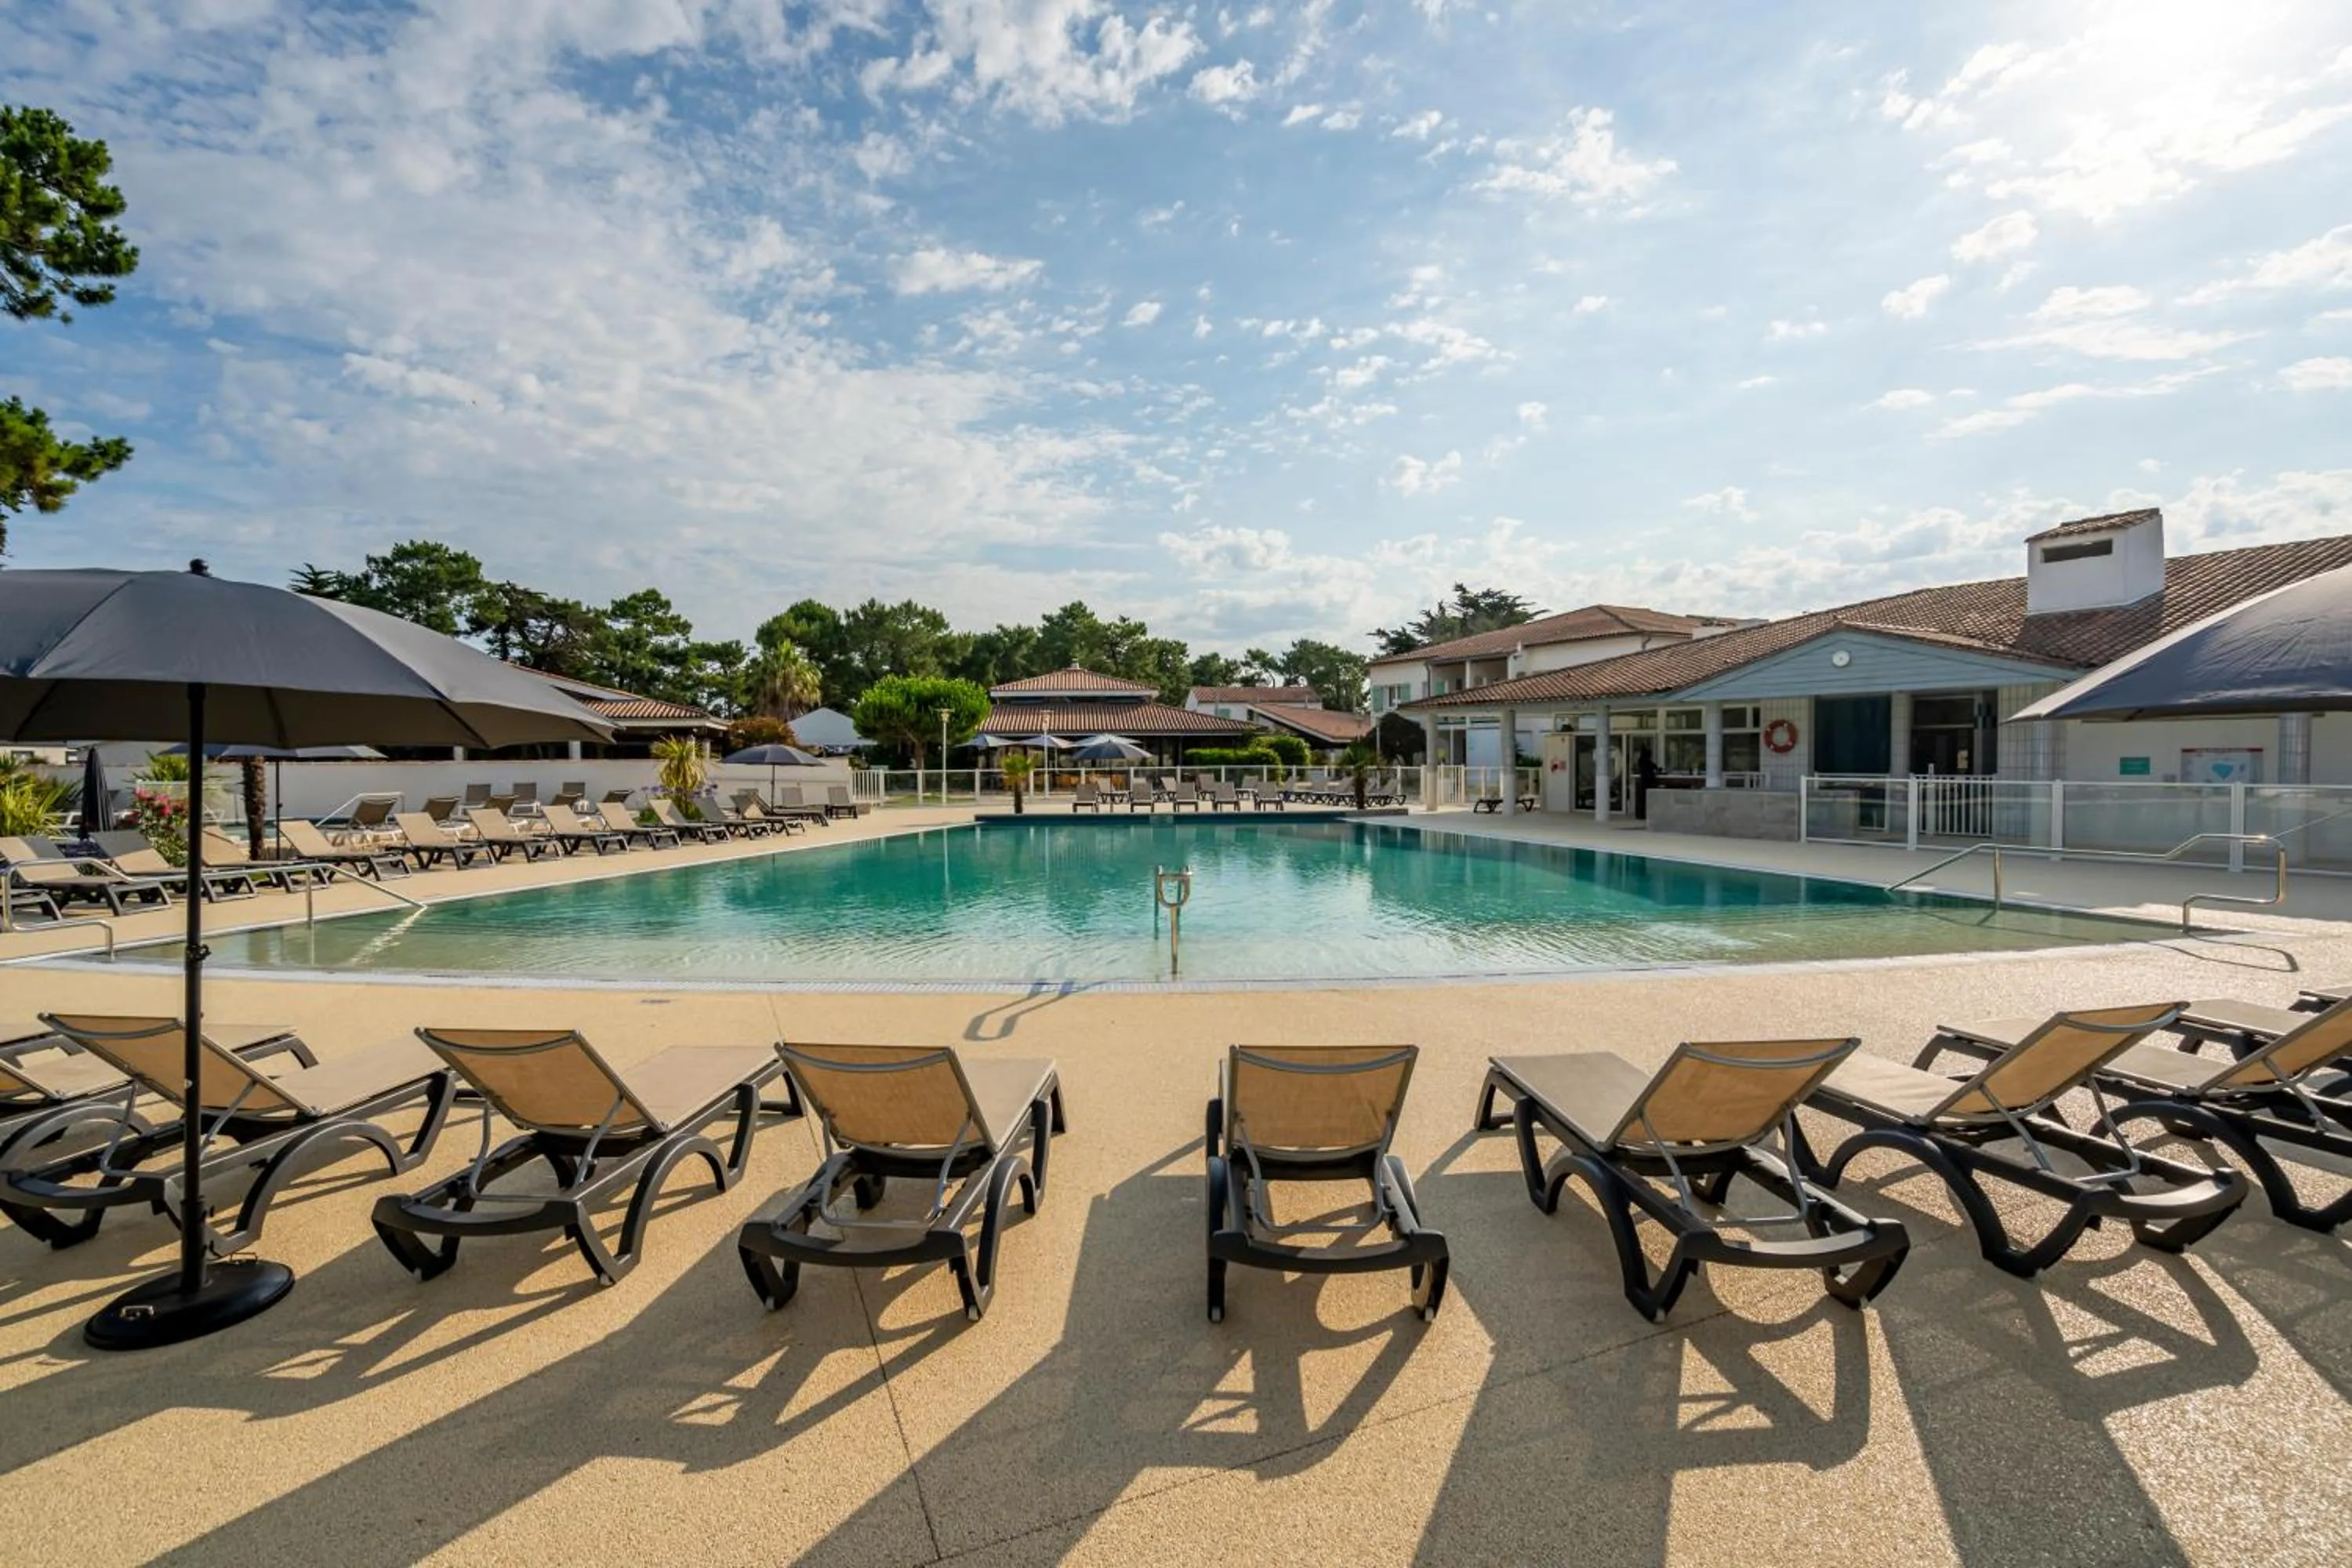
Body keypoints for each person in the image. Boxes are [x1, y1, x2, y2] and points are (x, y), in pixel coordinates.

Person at [1633, 745, 1659, 821]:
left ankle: (1641, 814)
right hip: (1648, 782)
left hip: (1643, 781)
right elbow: (1655, 767)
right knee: (1647, 799)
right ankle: (1645, 814)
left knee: (1643, 799)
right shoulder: (1646, 761)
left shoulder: (1641, 761)